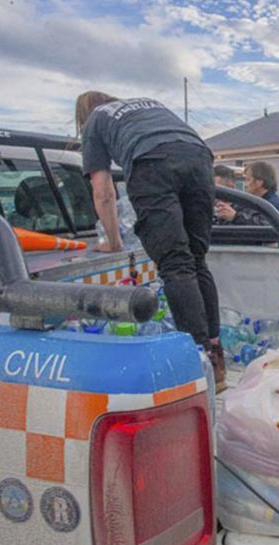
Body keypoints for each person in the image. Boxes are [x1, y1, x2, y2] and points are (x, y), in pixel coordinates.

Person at [74, 91, 226, 387]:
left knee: (176, 265)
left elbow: (103, 191)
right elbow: (177, 143)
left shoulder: (96, 121)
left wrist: (114, 242)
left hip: (150, 162)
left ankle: (198, 364)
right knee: (196, 260)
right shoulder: (145, 106)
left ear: (84, 114)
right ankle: (216, 358)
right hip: (199, 156)